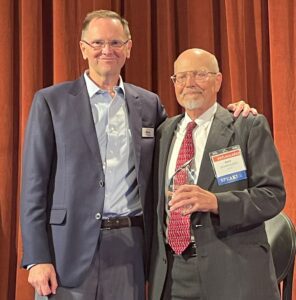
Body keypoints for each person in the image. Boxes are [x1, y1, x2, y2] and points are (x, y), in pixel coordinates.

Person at [20, 10, 255, 300]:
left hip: (129, 248)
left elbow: (187, 136)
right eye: (98, 43)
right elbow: (33, 185)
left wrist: (232, 113)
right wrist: (37, 257)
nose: (107, 50)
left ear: (128, 49)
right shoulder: (51, 102)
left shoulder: (148, 103)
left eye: (116, 43)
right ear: (83, 48)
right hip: (66, 250)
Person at [149, 48, 285, 300]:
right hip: (173, 273)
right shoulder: (163, 132)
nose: (189, 83)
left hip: (233, 271)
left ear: (218, 80)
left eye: (200, 74)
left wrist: (216, 202)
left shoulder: (246, 125)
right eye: (181, 77)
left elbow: (272, 196)